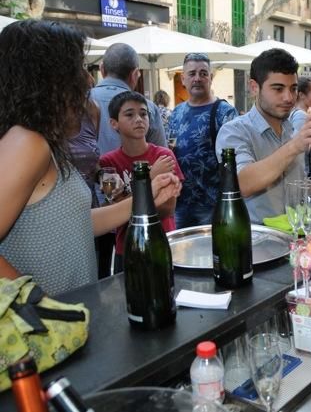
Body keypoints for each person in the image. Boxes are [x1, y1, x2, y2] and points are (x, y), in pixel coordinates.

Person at [0, 20, 181, 296]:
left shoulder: (42, 143)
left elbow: (76, 223)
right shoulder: (27, 142)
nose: (87, 80)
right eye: (79, 68)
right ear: (46, 79)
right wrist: (38, 307)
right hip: (45, 332)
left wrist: (146, 196)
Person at [215, 48, 311, 224]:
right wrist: (295, 146)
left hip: (297, 238)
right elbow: (242, 183)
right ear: (254, 87)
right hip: (257, 243)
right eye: (278, 89)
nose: (288, 97)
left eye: (293, 88)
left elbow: (295, 189)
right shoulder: (234, 131)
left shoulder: (291, 130)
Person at [99, 91, 184, 272]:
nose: (138, 119)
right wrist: (150, 177)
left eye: (143, 114)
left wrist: (126, 200)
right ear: (114, 123)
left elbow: (167, 209)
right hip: (128, 246)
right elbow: (116, 212)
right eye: (129, 114)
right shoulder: (107, 163)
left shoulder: (164, 156)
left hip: (162, 241)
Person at [167, 52, 239, 228]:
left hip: (212, 206)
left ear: (210, 78)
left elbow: (235, 160)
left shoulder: (225, 112)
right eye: (192, 74)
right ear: (183, 79)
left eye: (203, 73)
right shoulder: (176, 113)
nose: (197, 78)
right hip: (180, 204)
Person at [90, 43, 167, 155]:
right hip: (139, 171)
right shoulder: (147, 108)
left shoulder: (80, 101)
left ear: (102, 69)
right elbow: (161, 156)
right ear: (135, 74)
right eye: (129, 115)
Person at [289, 76, 311, 177]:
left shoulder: (302, 113)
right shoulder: (301, 116)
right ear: (302, 95)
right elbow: (300, 146)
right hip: (308, 174)